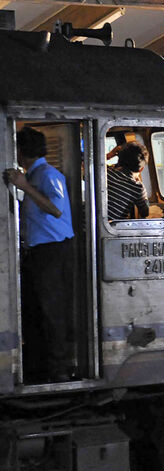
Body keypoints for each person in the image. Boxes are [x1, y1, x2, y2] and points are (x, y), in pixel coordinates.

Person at [4, 127, 75, 382]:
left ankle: (59, 369)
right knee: (36, 309)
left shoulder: (47, 174)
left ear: (21, 152)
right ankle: (39, 364)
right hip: (38, 250)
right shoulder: (34, 175)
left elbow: (56, 209)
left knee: (52, 309)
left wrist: (23, 186)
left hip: (52, 250)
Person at [107, 142, 150, 221]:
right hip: (109, 230)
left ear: (119, 160)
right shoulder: (137, 187)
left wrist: (109, 155)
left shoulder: (105, 172)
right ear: (141, 169)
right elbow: (145, 212)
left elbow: (84, 165)